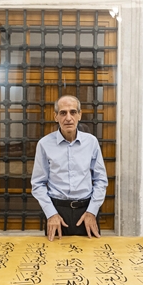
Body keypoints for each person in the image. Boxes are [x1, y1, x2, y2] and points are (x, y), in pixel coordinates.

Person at [31, 95, 108, 241]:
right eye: (63, 113)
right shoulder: (44, 144)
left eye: (73, 112)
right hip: (57, 212)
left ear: (79, 115)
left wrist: (92, 211)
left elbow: (100, 180)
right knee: (54, 259)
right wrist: (51, 214)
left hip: (87, 212)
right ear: (55, 116)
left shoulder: (91, 142)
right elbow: (38, 184)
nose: (68, 118)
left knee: (89, 259)